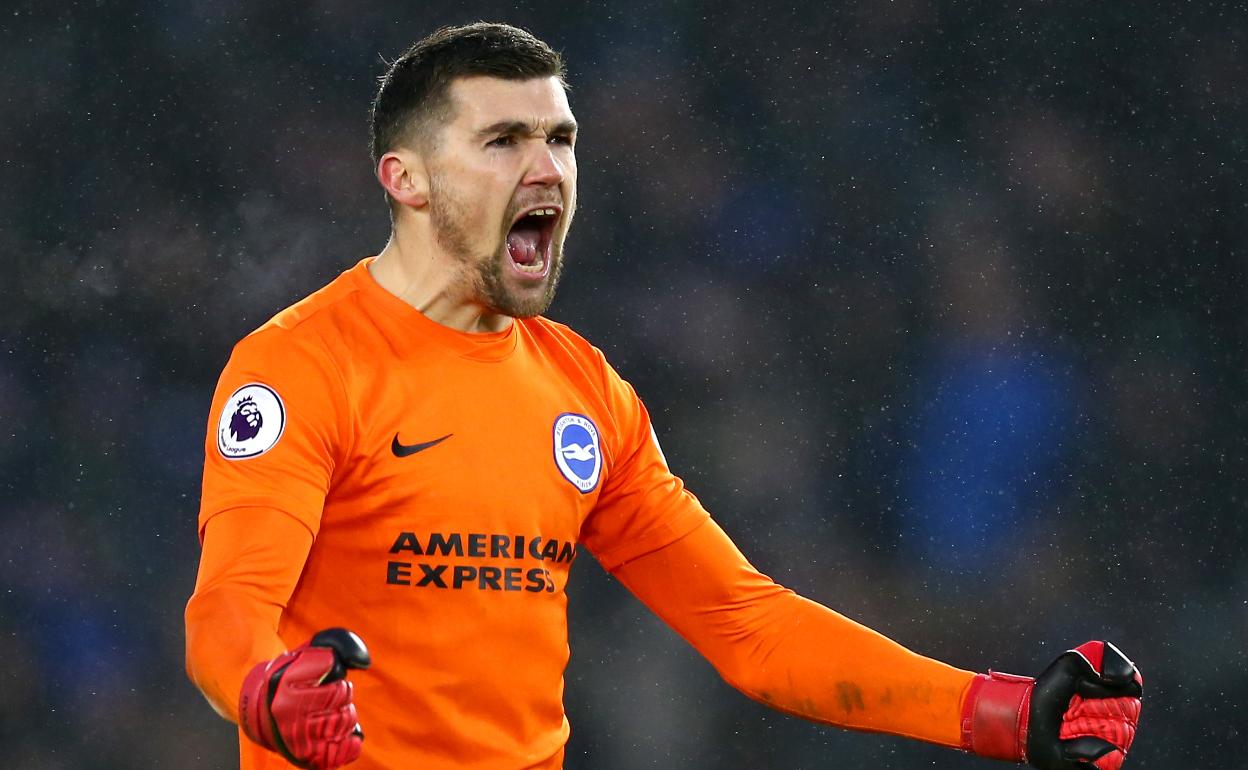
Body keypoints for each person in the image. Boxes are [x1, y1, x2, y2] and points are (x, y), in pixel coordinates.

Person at [184, 22, 1142, 770]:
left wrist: (1001, 715)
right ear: (409, 181)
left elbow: (751, 627)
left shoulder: (582, 392)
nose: (548, 168)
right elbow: (227, 606)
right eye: (504, 140)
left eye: (560, 139)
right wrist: (268, 688)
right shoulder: (302, 367)